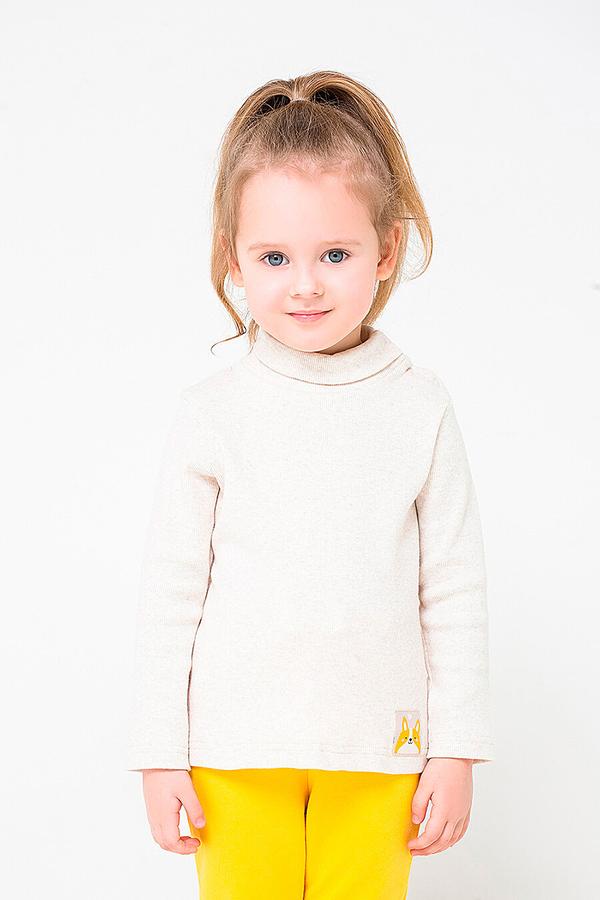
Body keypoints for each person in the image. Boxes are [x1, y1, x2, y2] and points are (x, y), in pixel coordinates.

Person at [125, 69, 495, 899]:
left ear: (386, 250)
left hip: (380, 752)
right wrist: (158, 752)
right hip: (232, 752)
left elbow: (454, 587)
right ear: (233, 257)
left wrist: (457, 747)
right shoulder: (211, 411)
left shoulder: (420, 407)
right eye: (274, 257)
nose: (305, 283)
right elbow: (171, 593)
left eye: (335, 253)